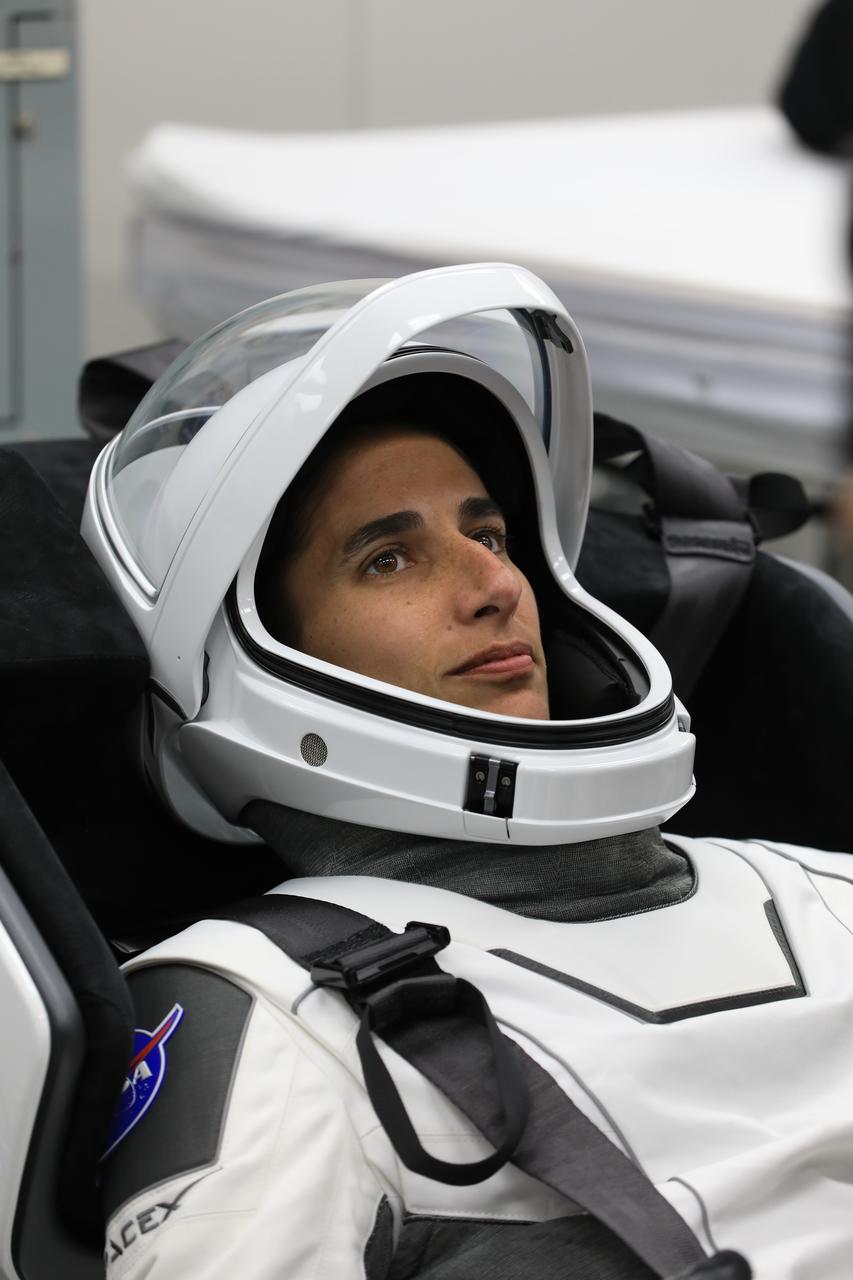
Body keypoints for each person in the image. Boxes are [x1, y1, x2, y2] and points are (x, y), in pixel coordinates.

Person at [84, 266, 853, 1280]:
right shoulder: (271, 1017)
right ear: (263, 647)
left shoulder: (821, 891)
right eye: (388, 559)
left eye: (487, 534)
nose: (495, 584)